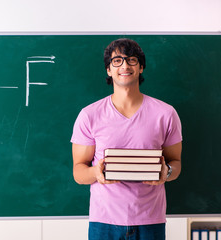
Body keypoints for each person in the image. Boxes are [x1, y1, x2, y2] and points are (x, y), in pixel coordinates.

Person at [70, 38, 182, 240]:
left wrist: (167, 172)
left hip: (151, 222)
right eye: (117, 60)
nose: (124, 65)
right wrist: (97, 172)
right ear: (108, 70)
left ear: (141, 68)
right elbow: (78, 172)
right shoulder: (89, 115)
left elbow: (176, 164)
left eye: (131, 60)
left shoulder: (166, 114)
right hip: (104, 223)